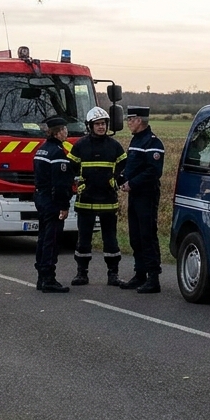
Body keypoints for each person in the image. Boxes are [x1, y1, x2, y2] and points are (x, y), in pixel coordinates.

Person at [68, 106, 127, 286]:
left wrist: (115, 181)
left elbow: (124, 167)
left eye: (103, 124)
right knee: (83, 238)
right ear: (90, 126)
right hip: (86, 199)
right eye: (97, 124)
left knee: (110, 239)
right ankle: (81, 273)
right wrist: (79, 183)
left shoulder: (114, 146)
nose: (101, 127)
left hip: (108, 200)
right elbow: (71, 168)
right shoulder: (80, 145)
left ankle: (113, 274)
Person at [120, 106, 164, 293]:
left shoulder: (152, 143)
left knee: (147, 235)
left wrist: (133, 183)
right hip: (135, 194)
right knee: (135, 236)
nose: (128, 122)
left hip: (146, 194)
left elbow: (153, 171)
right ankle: (140, 274)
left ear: (139, 120)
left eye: (131, 119)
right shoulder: (136, 140)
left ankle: (153, 277)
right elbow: (132, 166)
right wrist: (122, 180)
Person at [32, 115, 73, 293]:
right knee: (52, 239)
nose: (66, 132)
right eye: (64, 129)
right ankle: (49, 278)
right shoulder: (57, 153)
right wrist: (64, 206)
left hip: (41, 198)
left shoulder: (42, 150)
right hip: (53, 201)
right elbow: (61, 184)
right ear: (58, 132)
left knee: (43, 238)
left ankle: (41, 276)